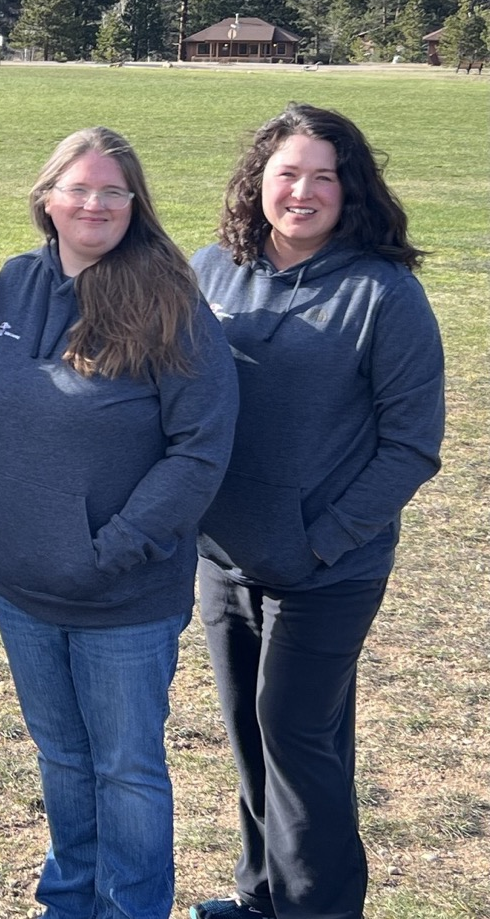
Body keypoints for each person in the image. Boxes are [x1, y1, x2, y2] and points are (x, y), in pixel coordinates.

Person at [0, 126, 238, 919]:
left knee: (126, 769)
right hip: (19, 581)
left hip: (123, 592)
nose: (94, 204)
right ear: (46, 198)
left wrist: (114, 546)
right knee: (62, 759)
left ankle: (131, 909)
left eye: (112, 191)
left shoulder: (169, 299)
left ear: (134, 203)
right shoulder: (16, 282)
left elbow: (200, 448)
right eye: (78, 188)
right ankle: (69, 900)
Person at [188, 104, 444, 919]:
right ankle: (259, 894)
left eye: (323, 176)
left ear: (351, 188)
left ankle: (320, 908)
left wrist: (323, 543)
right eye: (287, 173)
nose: (302, 191)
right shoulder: (210, 271)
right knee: (249, 733)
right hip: (221, 557)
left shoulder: (384, 293)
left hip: (327, 568)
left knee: (296, 735)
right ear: (258, 180)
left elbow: (412, 445)